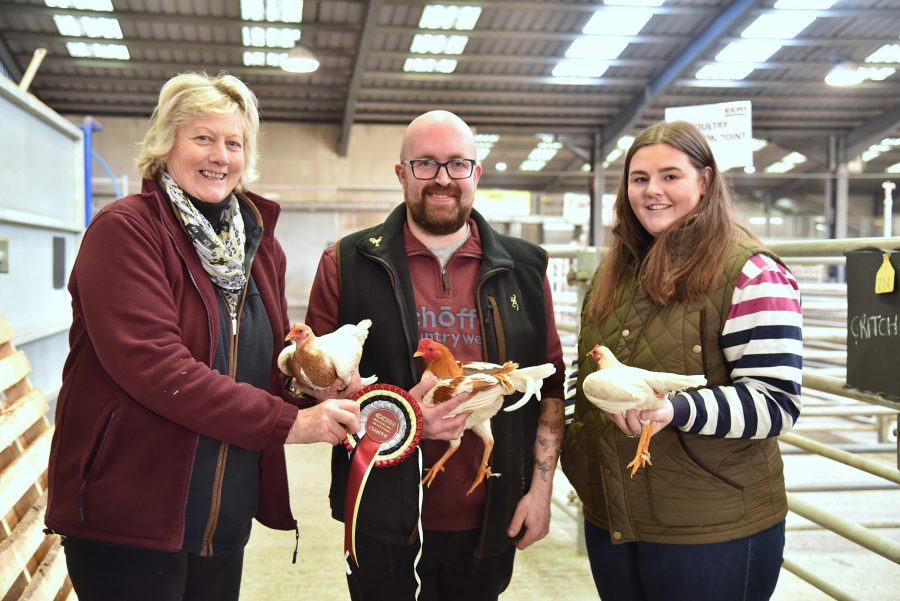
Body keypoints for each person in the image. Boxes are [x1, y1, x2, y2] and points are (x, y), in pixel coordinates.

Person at [44, 72, 361, 601]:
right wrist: (291, 423)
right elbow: (157, 368)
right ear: (167, 142)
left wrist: (309, 382)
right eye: (203, 138)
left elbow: (263, 361)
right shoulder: (126, 231)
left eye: (233, 142)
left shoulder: (259, 246)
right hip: (132, 514)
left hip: (222, 515)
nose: (220, 156)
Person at [303, 110, 566, 600]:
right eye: (425, 164)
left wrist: (540, 493)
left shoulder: (526, 268)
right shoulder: (346, 262)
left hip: (490, 516)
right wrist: (397, 416)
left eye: (457, 164)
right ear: (401, 173)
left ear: (476, 173)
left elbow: (549, 390)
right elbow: (307, 393)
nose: (442, 179)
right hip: (381, 515)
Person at [562, 120, 803, 601]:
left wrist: (672, 411)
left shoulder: (751, 272)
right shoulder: (618, 272)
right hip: (613, 515)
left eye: (670, 176)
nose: (653, 191)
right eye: (640, 178)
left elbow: (775, 403)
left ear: (706, 181)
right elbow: (584, 373)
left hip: (711, 528)